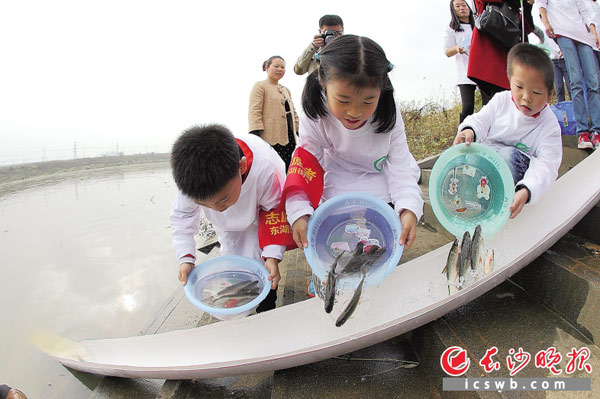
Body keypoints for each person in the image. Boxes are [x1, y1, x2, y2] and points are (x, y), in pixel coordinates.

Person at [284, 35, 424, 296]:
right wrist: (299, 211)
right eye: (344, 100)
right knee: (332, 247)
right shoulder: (315, 111)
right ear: (324, 84)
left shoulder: (388, 111)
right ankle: (324, 276)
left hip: (378, 182)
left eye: (368, 101)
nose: (355, 112)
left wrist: (410, 209)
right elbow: (304, 164)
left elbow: (401, 167)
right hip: (335, 179)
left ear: (381, 90)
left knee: (374, 254)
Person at [169, 124, 288, 313]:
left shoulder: (265, 168)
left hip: (260, 212)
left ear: (241, 167)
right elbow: (182, 218)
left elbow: (274, 209)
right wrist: (186, 257)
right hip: (227, 226)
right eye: (205, 204)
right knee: (232, 258)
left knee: (264, 265)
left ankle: (267, 306)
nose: (217, 208)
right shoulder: (192, 182)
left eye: (222, 199)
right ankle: (242, 306)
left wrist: (273, 254)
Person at [454, 43, 562, 219]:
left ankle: (497, 205)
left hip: (515, 170)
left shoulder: (549, 126)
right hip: (486, 162)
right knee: (470, 156)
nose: (526, 97)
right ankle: (476, 206)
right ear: (510, 81)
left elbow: (547, 165)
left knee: (506, 156)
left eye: (535, 92)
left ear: (549, 95)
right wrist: (469, 130)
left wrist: (527, 188)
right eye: (519, 87)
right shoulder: (501, 101)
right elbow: (481, 119)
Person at [539, 0, 600, 149]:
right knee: (576, 81)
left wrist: (593, 32)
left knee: (593, 82)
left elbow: (584, 10)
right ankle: (583, 132)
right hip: (563, 32)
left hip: (583, 36)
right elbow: (541, 5)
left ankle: (596, 131)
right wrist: (546, 23)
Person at [468, 0, 535, 103]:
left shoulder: (515, 6)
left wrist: (527, 5)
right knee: (497, 104)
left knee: (514, 104)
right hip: (492, 54)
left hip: (513, 57)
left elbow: (526, 27)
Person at [248, 55, 299, 169]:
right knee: (272, 171)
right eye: (276, 66)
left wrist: (300, 131)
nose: (280, 69)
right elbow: (254, 111)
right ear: (267, 67)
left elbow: (293, 114)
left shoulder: (286, 90)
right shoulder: (260, 86)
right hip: (269, 138)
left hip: (288, 139)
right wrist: (255, 135)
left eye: (283, 67)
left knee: (287, 170)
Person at [444, 0, 478, 122]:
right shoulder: (452, 29)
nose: (461, 8)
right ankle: (462, 133)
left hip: (482, 71)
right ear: (453, 10)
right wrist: (456, 48)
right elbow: (447, 51)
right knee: (468, 107)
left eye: (464, 5)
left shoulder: (478, 25)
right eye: (457, 6)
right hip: (465, 73)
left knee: (488, 104)